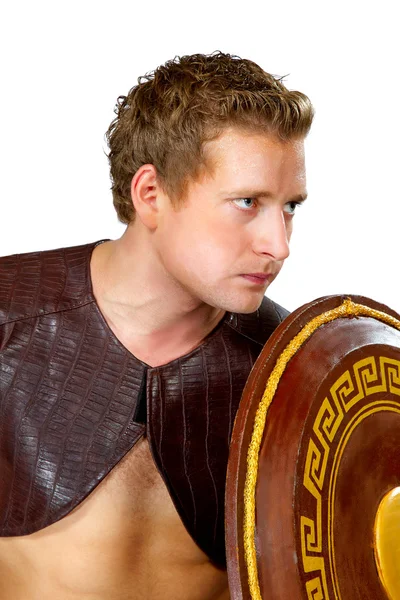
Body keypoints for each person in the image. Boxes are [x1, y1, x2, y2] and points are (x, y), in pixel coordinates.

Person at [0, 52, 313, 599]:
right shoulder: (9, 316)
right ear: (151, 194)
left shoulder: (291, 370)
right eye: (247, 201)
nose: (279, 244)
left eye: (290, 207)